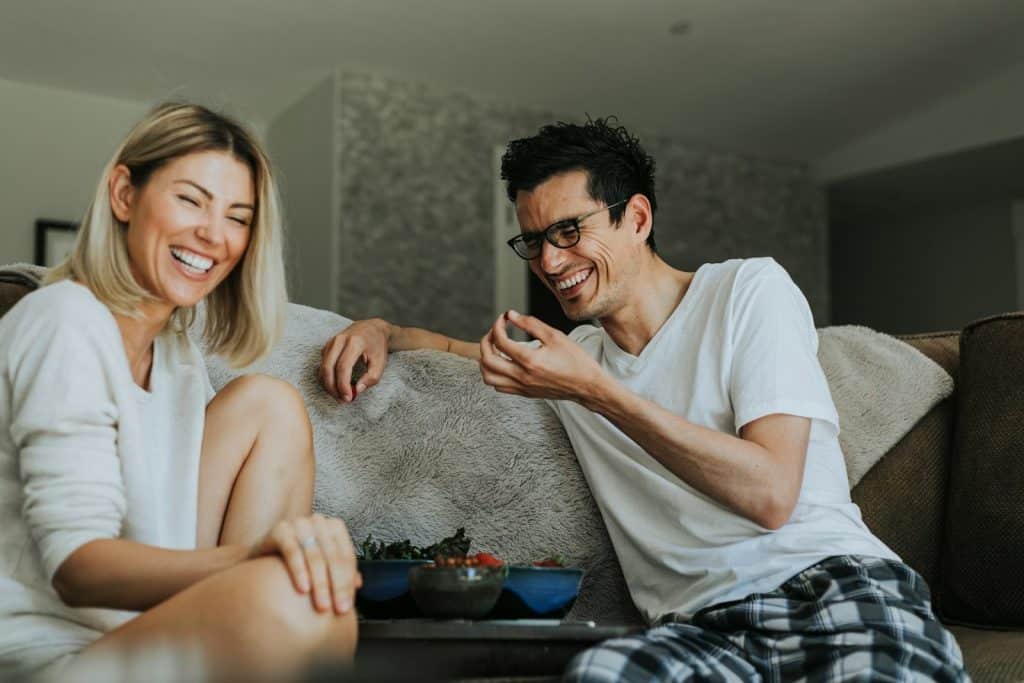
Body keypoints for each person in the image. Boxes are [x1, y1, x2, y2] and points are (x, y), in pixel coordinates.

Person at [320, 118, 969, 681]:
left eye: (569, 230)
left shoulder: (747, 293)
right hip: (700, 628)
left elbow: (771, 493)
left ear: (636, 217)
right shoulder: (575, 363)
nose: (550, 261)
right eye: (534, 240)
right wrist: (385, 332)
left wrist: (596, 392)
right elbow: (459, 350)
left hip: (827, 587)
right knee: (600, 673)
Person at [0, 102, 360, 681]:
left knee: (270, 407)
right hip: (40, 657)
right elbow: (76, 570)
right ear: (124, 195)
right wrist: (254, 561)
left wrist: (280, 569)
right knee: (291, 600)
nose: (213, 235)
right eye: (191, 200)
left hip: (139, 634)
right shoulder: (63, 320)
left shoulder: (176, 357)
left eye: (238, 217)